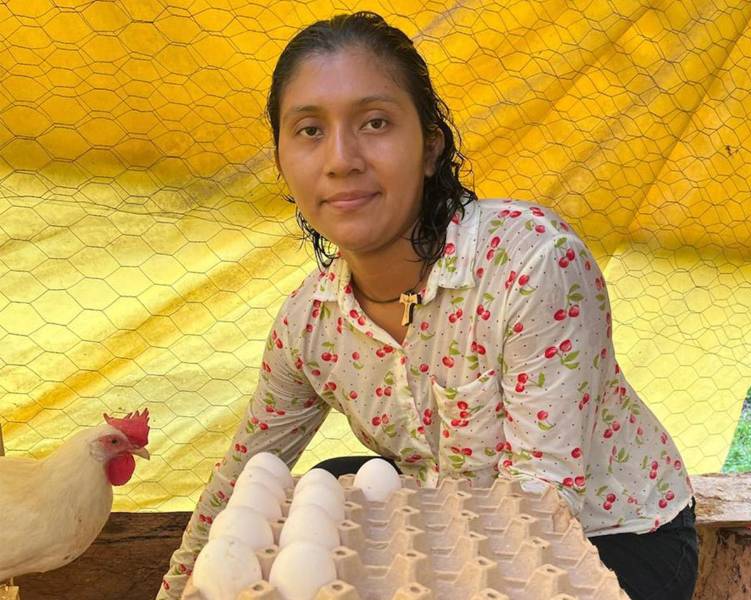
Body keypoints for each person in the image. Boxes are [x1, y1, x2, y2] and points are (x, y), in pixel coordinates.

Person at [157, 12, 698, 600]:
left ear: (430, 147)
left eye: (375, 122)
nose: (341, 159)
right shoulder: (310, 323)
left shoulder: (531, 263)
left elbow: (543, 507)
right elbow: (242, 473)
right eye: (309, 130)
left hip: (608, 537)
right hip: (447, 512)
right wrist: (178, 587)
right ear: (283, 164)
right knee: (313, 489)